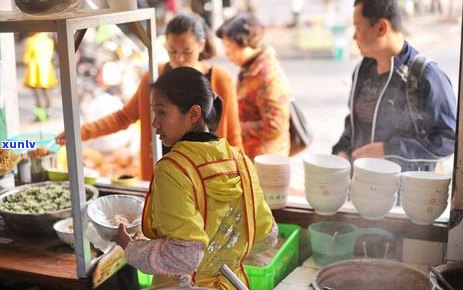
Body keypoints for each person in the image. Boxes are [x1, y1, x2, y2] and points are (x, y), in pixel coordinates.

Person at [112, 67, 277, 289]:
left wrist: (131, 248)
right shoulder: (240, 159)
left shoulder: (173, 169)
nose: (154, 124)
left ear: (194, 114)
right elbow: (267, 235)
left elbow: (185, 256)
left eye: (161, 112)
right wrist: (220, 252)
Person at [56, 13, 242, 181]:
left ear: (201, 45)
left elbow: (233, 136)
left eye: (187, 51)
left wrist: (239, 176)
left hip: (207, 175)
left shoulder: (222, 80)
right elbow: (123, 117)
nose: (179, 58)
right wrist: (78, 133)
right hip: (162, 171)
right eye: (172, 51)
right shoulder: (153, 77)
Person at [332, 0, 456, 172]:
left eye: (358, 28)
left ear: (382, 27)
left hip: (406, 195)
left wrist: (389, 151)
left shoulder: (426, 76)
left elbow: (450, 141)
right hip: (361, 188)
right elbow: (354, 124)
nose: (354, 37)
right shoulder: (362, 70)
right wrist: (342, 151)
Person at [216, 13, 291, 160]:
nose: (226, 53)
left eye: (229, 46)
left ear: (247, 44)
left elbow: (275, 126)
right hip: (252, 156)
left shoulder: (268, 75)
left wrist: (235, 126)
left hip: (267, 161)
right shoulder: (248, 68)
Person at [22, 32, 58, 115]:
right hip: (47, 70)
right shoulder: (49, 41)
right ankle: (48, 112)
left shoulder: (30, 41)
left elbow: (26, 59)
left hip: (34, 72)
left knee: (37, 95)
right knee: (47, 93)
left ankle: (40, 115)